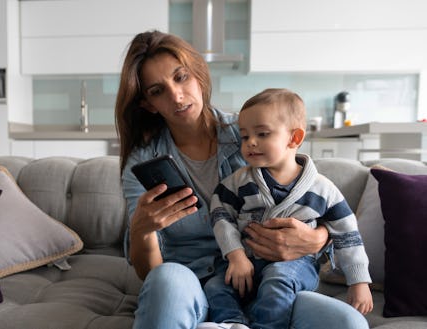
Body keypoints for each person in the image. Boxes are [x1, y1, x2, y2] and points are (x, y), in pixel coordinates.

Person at [115, 30, 369, 329]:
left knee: (348, 323)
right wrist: (142, 232)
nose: (176, 96)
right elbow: (151, 273)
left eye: (181, 77)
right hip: (191, 282)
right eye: (158, 91)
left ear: (198, 74)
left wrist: (318, 238)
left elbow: (312, 196)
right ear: (148, 104)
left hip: (270, 283)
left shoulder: (252, 132)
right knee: (166, 279)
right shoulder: (143, 162)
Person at [207, 88, 373, 329]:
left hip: (295, 267)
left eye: (262, 134)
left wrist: (359, 282)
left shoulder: (323, 190)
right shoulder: (237, 183)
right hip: (246, 265)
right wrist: (236, 255)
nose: (251, 142)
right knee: (214, 287)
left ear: (294, 138)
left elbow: (347, 234)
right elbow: (220, 215)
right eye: (244, 136)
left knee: (278, 280)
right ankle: (232, 323)